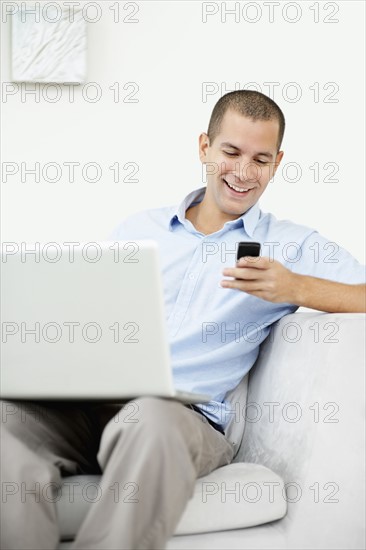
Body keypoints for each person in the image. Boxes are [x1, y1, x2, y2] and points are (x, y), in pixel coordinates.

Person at [1, 91, 365, 550]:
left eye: (260, 159)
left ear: (277, 164)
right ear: (204, 148)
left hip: (177, 418)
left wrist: (297, 288)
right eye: (231, 152)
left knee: (149, 418)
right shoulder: (138, 230)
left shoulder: (290, 244)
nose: (243, 172)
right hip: (86, 409)